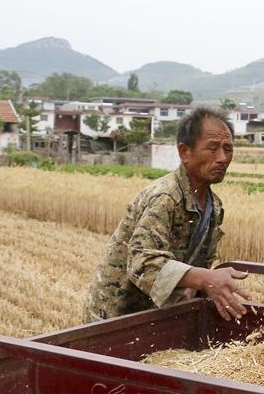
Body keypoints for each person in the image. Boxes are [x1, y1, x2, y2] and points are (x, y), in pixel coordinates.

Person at [83, 107, 249, 323]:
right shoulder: (165, 197)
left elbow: (197, 264)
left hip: (156, 314)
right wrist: (205, 279)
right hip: (117, 316)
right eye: (212, 148)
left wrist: (198, 286)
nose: (222, 158)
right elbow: (143, 263)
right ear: (184, 152)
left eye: (228, 149)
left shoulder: (214, 206)